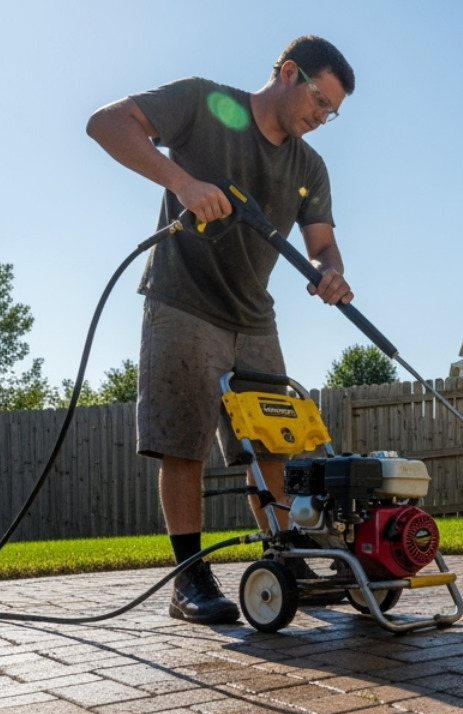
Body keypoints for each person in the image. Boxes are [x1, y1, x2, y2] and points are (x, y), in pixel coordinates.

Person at [87, 36, 356, 624]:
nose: (321, 117)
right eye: (319, 101)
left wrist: (330, 273)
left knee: (274, 442)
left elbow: (322, 243)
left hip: (253, 313)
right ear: (288, 73)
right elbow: (107, 123)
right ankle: (190, 579)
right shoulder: (205, 102)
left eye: (331, 112)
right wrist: (181, 182)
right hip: (181, 299)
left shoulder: (308, 165)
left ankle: (284, 554)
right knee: (182, 444)